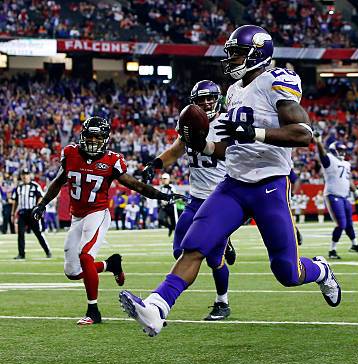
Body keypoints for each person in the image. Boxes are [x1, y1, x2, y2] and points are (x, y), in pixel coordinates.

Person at [119, 25, 341, 337]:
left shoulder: (276, 80)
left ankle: (321, 271)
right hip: (233, 185)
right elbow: (226, 147)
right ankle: (157, 307)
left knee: (287, 272)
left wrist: (257, 133)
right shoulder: (235, 92)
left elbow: (303, 134)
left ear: (258, 53)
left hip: (269, 184)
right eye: (231, 53)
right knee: (193, 245)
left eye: (238, 52)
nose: (232, 59)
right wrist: (203, 145)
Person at [32, 117, 185, 325]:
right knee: (72, 272)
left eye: (98, 137)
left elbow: (136, 185)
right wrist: (42, 205)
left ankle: (93, 311)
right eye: (90, 136)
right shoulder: (70, 153)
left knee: (85, 256)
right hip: (77, 216)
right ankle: (110, 264)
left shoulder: (112, 161)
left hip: (98, 213)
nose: (93, 141)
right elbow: (59, 181)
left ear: (105, 139)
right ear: (82, 137)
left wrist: (163, 196)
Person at [141, 79, 236, 321]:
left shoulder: (227, 122)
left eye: (210, 98)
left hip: (219, 199)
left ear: (218, 99)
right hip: (195, 199)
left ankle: (222, 302)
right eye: (201, 99)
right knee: (179, 250)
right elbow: (176, 149)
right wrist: (155, 164)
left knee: (215, 260)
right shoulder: (191, 123)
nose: (206, 102)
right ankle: (223, 240)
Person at [314, 135, 358, 259]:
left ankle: (355, 245)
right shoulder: (330, 159)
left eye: (343, 150)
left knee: (349, 224)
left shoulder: (346, 164)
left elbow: (349, 181)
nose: (342, 152)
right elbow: (323, 156)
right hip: (332, 195)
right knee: (341, 224)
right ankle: (332, 251)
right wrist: (319, 142)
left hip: (344, 196)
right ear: (334, 150)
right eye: (340, 150)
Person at [12, 169, 51, 259]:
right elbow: (15, 201)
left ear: (30, 175)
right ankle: (21, 254)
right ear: (21, 176)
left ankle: (47, 251)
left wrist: (37, 208)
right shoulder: (19, 187)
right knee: (20, 234)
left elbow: (41, 196)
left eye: (26, 174)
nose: (25, 176)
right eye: (23, 174)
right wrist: (13, 213)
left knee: (38, 233)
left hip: (32, 212)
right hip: (22, 213)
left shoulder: (35, 186)